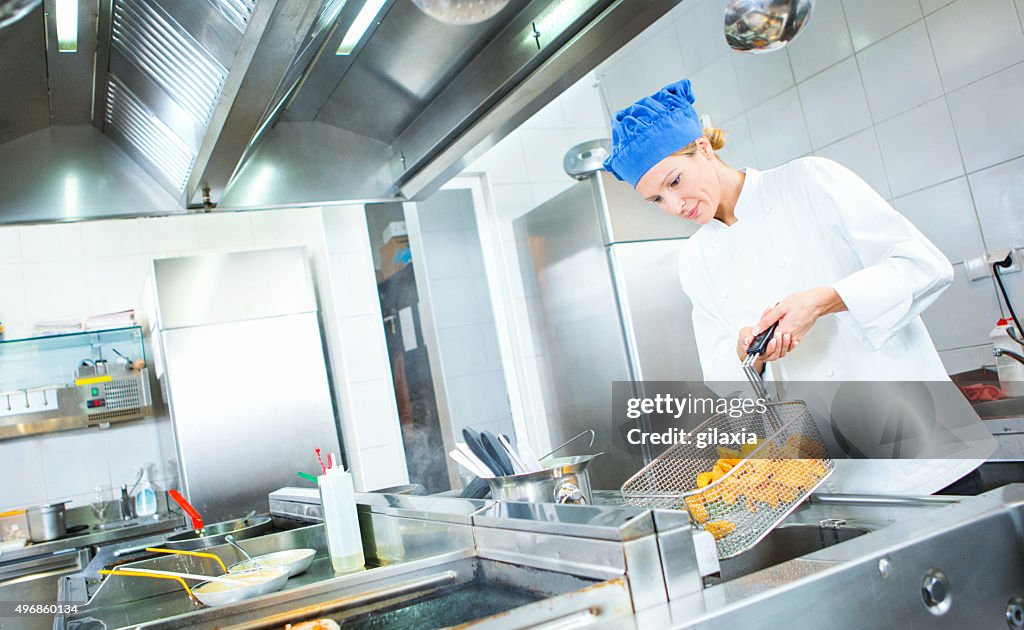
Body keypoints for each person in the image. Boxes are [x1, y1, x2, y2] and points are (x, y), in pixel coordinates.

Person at [602, 78, 989, 495]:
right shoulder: (695, 260)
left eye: (674, 181)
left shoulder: (808, 182)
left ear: (703, 148)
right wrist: (748, 354)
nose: (675, 205)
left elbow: (924, 265)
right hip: (830, 482)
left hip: (922, 456)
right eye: (657, 199)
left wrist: (824, 302)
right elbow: (726, 384)